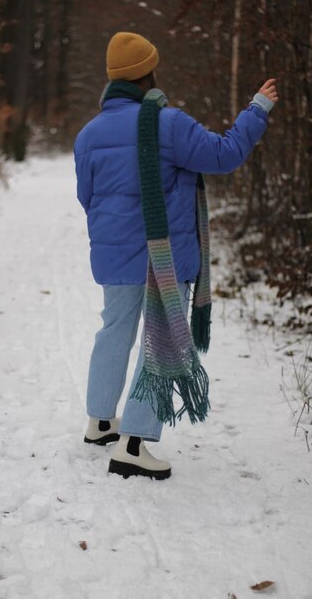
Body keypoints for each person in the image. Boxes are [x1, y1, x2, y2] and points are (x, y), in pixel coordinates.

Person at [74, 32, 278, 480]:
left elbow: (87, 197)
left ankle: (101, 423)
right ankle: (133, 442)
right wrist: (256, 111)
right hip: (161, 259)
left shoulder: (88, 134)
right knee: (160, 342)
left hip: (113, 256)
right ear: (149, 74)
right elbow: (224, 155)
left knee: (115, 330)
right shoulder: (168, 124)